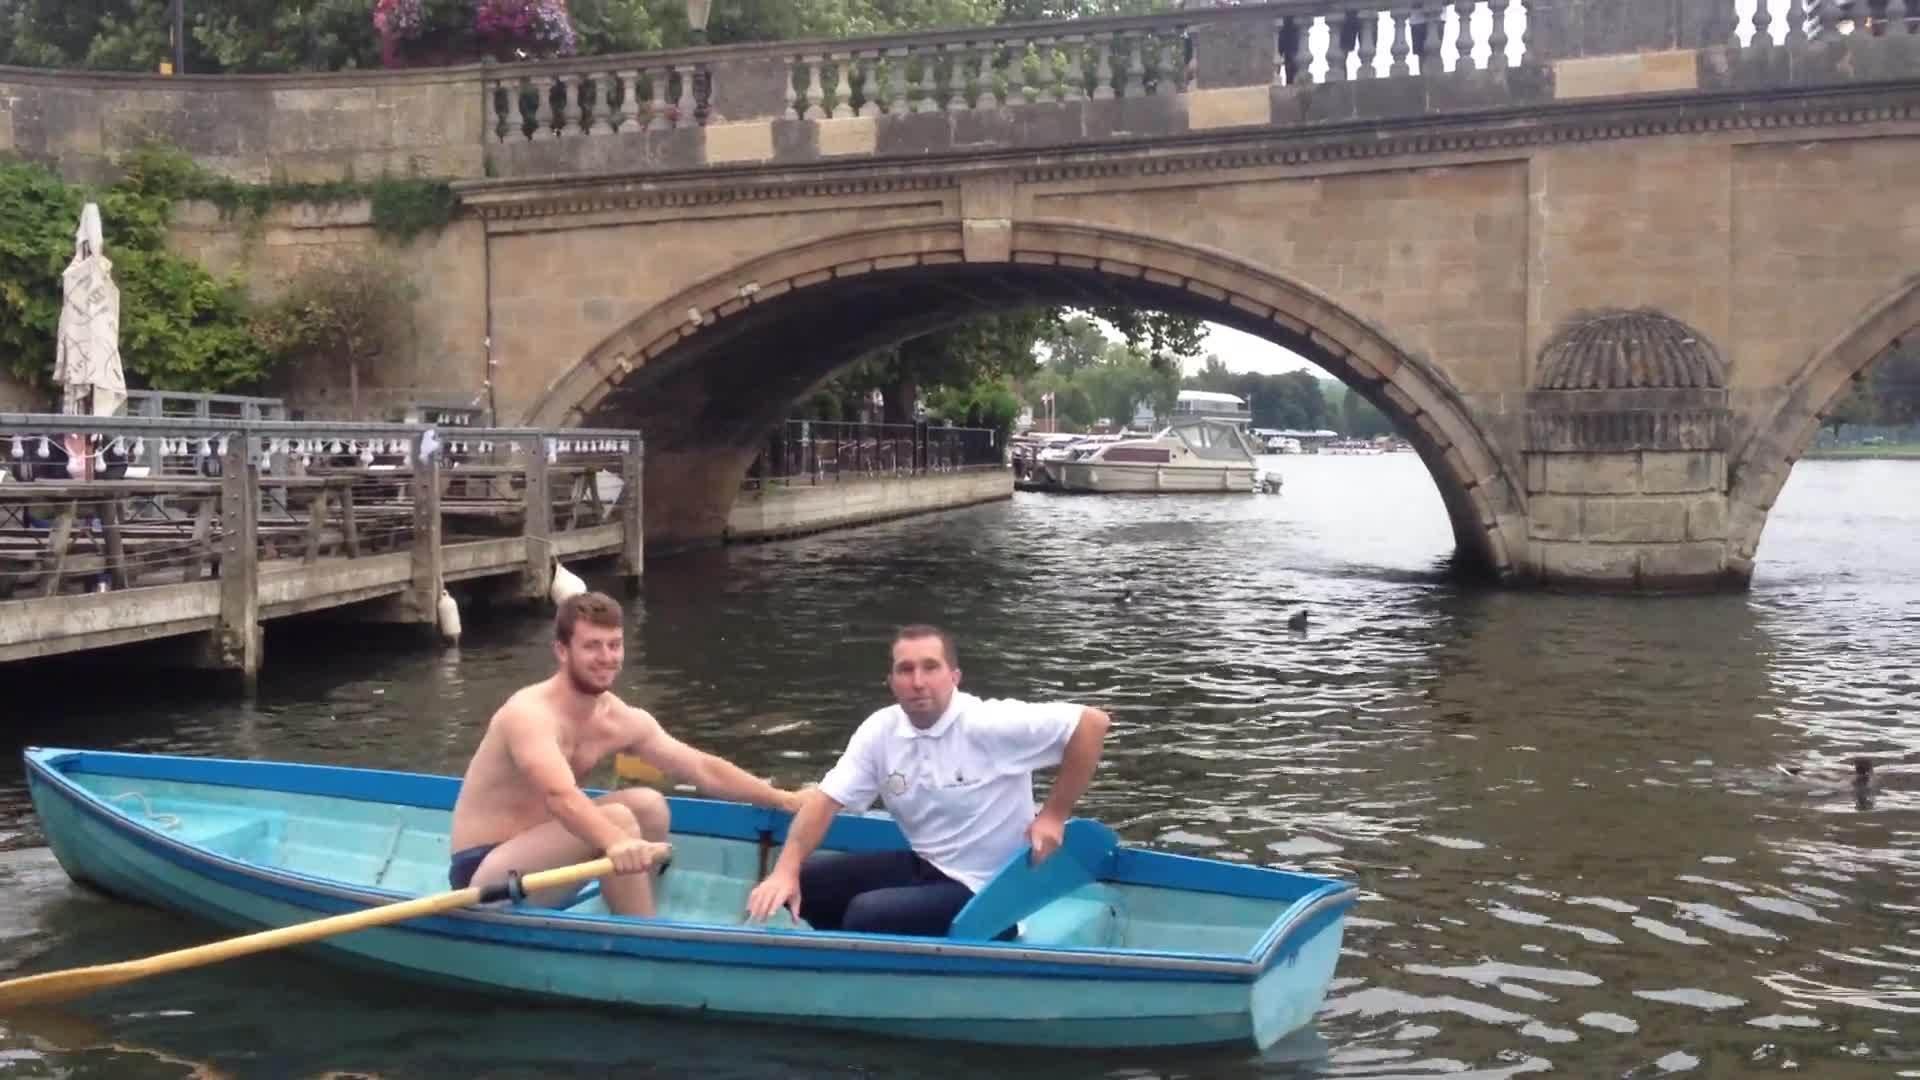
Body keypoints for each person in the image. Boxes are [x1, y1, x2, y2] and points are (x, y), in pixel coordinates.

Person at [448, 591, 807, 917]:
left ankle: (630, 903)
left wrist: (782, 798)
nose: (606, 658)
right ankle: (644, 934)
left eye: (614, 645)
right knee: (618, 819)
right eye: (592, 646)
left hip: (545, 856)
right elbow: (561, 798)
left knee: (649, 805)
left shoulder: (618, 717)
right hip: (484, 876)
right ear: (562, 650)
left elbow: (702, 768)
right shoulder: (529, 715)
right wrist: (616, 841)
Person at [745, 624, 1111, 938]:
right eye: (905, 670)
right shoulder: (880, 731)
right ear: (891, 682)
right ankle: (867, 965)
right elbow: (825, 801)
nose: (918, 682)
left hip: (990, 891)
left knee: (868, 914)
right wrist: (784, 872)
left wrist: (1054, 814)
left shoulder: (988, 723)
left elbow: (1091, 723)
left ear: (954, 677)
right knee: (808, 882)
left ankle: (894, 961)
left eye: (930, 668)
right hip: (927, 866)